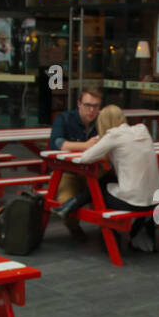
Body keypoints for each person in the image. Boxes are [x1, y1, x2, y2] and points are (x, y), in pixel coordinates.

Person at [55, 105, 159, 253]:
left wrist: (99, 140)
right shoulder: (142, 129)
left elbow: (86, 158)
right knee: (105, 181)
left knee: (98, 188)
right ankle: (70, 206)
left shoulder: (113, 136)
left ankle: (71, 206)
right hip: (156, 200)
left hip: (134, 202)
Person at [48, 87, 102, 240]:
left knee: (113, 193)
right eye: (87, 105)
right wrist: (86, 146)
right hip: (66, 172)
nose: (92, 110)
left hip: (93, 171)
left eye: (96, 106)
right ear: (79, 104)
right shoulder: (64, 118)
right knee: (66, 202)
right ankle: (74, 228)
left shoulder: (101, 121)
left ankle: (110, 229)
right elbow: (58, 143)